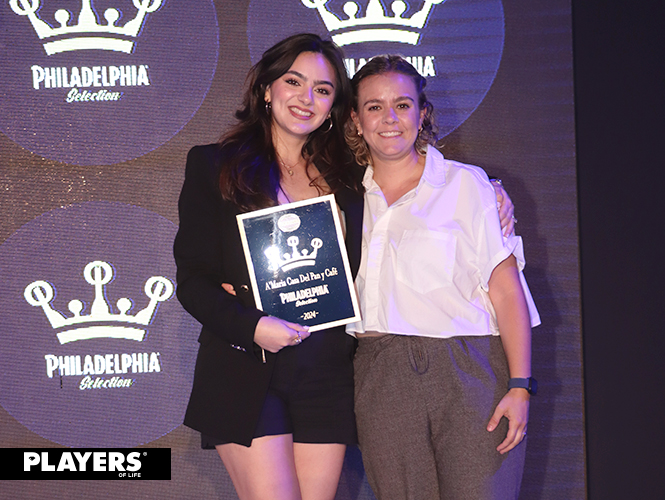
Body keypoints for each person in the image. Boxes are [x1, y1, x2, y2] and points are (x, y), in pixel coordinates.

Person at [174, 34, 515, 500]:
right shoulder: (214, 166)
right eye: (294, 82)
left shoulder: (349, 175)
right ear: (267, 88)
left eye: (322, 89)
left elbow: (415, 180)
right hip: (247, 366)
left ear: (335, 106)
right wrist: (253, 326)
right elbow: (192, 281)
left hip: (327, 372)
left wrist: (491, 189)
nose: (306, 98)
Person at [344, 55, 541, 500]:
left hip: (468, 370)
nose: (389, 118)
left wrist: (520, 385)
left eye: (402, 105)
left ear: (422, 114)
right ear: (356, 120)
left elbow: (506, 290)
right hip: (380, 371)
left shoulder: (467, 185)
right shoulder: (344, 196)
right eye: (374, 107)